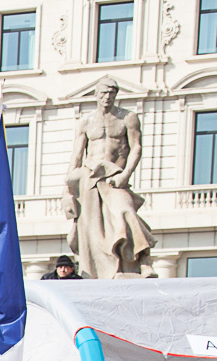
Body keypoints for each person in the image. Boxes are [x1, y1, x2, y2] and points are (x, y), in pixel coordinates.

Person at [63, 77, 155, 279]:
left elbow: (136, 148)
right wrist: (67, 192)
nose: (107, 97)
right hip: (89, 177)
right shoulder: (86, 122)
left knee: (126, 211)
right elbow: (77, 156)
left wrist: (126, 174)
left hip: (115, 177)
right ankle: (100, 271)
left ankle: (143, 259)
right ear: (96, 95)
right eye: (104, 93)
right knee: (92, 230)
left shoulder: (127, 118)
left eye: (112, 93)